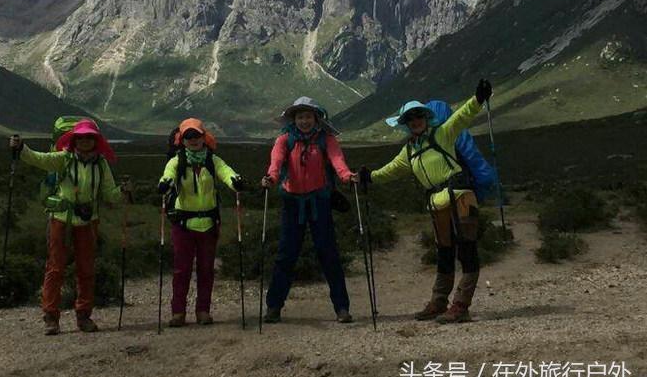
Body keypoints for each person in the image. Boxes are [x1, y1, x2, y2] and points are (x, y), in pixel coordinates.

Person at [363, 79, 493, 324]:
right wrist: (368, 177)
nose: (415, 121)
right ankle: (439, 302)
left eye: (419, 116)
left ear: (426, 117)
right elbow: (389, 170)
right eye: (410, 119)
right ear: (405, 125)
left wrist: (478, 99)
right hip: (437, 204)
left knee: (467, 252)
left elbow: (461, 118)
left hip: (460, 197)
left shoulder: (442, 133)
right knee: (444, 254)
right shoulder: (409, 150)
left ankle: (460, 306)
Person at [9, 119, 124, 335]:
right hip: (62, 219)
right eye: (81, 137)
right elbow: (39, 160)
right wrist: (22, 148)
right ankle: (51, 317)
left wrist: (121, 193)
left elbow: (109, 194)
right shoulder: (64, 159)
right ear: (74, 140)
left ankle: (83, 315)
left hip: (87, 221)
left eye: (89, 137)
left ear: (95, 140)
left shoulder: (101, 164)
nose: (85, 141)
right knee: (56, 268)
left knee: (86, 269)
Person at [260, 97, 358, 324]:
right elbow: (275, 163)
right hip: (292, 204)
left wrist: (346, 176)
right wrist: (271, 178)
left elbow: (338, 161)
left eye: (308, 117)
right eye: (300, 117)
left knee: (329, 254)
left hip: (319, 202)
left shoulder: (327, 139)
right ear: (294, 119)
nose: (304, 121)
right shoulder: (284, 139)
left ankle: (342, 308)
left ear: (316, 119)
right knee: (286, 255)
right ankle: (273, 306)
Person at [159, 118, 243, 327]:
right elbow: (168, 175)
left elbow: (226, 172)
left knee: (206, 269)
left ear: (203, 137)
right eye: (188, 136)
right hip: (183, 224)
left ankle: (203, 311)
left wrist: (236, 182)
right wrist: (165, 183)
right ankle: (178, 312)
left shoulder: (212, 160)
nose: (193, 139)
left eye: (196, 135)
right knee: (181, 270)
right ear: (182, 140)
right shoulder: (176, 161)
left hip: (208, 223)